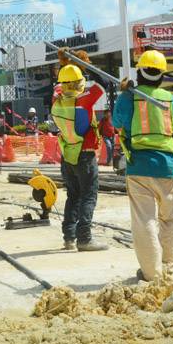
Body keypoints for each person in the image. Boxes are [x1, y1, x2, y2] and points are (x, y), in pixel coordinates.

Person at [113, 50, 173, 282]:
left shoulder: (129, 97)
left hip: (139, 167)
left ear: (139, 72)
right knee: (170, 220)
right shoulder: (172, 100)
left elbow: (118, 122)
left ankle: (152, 274)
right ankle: (169, 268)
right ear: (162, 76)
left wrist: (124, 93)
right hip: (168, 168)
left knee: (144, 221)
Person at [51, 48, 107, 252]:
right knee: (88, 196)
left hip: (67, 156)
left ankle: (69, 237)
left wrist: (69, 65)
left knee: (73, 196)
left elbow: (61, 84)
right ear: (80, 81)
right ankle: (85, 238)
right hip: (85, 155)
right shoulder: (85, 100)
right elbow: (104, 82)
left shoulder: (56, 100)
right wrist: (85, 66)